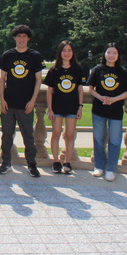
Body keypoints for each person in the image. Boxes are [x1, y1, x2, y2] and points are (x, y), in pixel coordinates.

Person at [0, 24, 44, 177]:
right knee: (6, 135)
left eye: (24, 36)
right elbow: (2, 79)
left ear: (28, 38)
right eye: (19, 36)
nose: (21, 39)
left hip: (26, 104)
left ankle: (31, 164)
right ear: (14, 38)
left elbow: (38, 80)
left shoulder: (34, 56)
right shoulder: (8, 55)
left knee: (28, 136)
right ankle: (6, 163)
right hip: (9, 103)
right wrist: (2, 100)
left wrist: (33, 101)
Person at [88, 42, 127, 182]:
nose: (111, 55)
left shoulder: (122, 71)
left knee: (114, 141)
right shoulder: (98, 70)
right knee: (98, 140)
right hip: (99, 110)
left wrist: (113, 99)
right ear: (104, 54)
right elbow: (90, 89)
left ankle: (111, 169)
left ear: (118, 55)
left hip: (116, 111)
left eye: (114, 53)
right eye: (109, 52)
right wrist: (101, 98)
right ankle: (99, 166)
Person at [43, 40, 85, 174]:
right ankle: (56, 161)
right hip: (57, 107)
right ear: (60, 53)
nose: (67, 53)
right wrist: (50, 109)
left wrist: (80, 106)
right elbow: (50, 91)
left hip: (72, 107)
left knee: (70, 135)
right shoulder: (54, 70)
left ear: (73, 52)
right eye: (64, 51)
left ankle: (67, 162)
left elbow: (80, 89)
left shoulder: (77, 69)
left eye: (69, 50)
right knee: (56, 133)